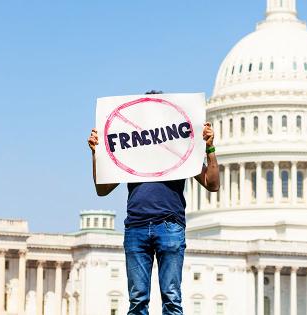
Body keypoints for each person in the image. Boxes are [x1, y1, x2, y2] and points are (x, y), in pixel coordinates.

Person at [87, 92, 220, 315]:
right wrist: (97, 154)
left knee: (171, 298)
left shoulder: (180, 147)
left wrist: (209, 148)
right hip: (136, 226)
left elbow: (212, 183)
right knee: (137, 300)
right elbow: (102, 189)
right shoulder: (131, 148)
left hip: (169, 226)